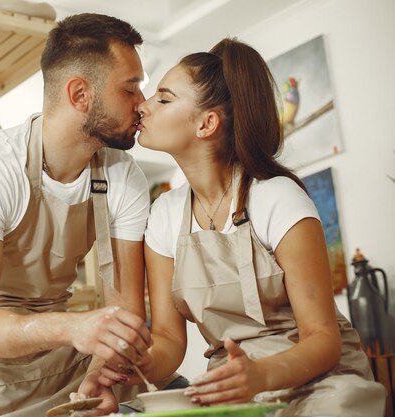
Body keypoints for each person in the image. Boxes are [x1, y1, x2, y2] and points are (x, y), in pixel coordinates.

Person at [99, 38, 386, 416]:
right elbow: (169, 339)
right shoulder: (164, 216)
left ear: (206, 123)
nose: (143, 105)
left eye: (163, 99)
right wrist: (133, 365)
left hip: (320, 383)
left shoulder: (278, 198)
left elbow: (323, 340)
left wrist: (260, 376)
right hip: (233, 390)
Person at [0, 13, 156, 417]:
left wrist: (102, 376)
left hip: (64, 362)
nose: (143, 104)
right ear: (80, 94)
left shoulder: (124, 176)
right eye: (130, 89)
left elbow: (125, 315)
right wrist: (74, 328)